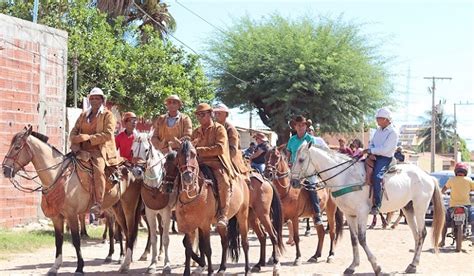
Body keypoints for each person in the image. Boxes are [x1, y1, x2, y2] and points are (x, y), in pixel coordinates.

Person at [70, 87, 121, 215]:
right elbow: (74, 131)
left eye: (97, 98)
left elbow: (108, 134)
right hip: (81, 149)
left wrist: (88, 138)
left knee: (99, 171)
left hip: (99, 150)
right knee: (65, 164)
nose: (94, 100)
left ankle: (98, 203)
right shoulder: (83, 115)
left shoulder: (108, 115)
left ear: (102, 101)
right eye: (92, 98)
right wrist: (76, 139)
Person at [191, 103, 236, 228]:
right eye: (198, 115)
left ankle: (223, 214)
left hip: (216, 163)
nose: (200, 117)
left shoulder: (219, 129)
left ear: (210, 114)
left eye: (202, 114)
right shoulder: (195, 132)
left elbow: (220, 148)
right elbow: (191, 146)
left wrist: (199, 150)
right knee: (183, 176)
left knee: (224, 182)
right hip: (199, 163)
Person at [286, 115, 329, 225]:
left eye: (302, 125)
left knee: (311, 185)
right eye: (298, 125)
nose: (300, 127)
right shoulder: (292, 140)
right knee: (280, 185)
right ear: (295, 127)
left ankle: (317, 213)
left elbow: (314, 155)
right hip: (294, 170)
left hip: (307, 169)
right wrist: (288, 162)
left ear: (306, 126)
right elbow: (288, 153)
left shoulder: (310, 139)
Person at [363, 107, 398, 215]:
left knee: (377, 177)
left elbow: (385, 149)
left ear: (386, 120)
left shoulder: (393, 133)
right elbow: (372, 142)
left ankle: (377, 204)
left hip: (385, 158)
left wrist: (371, 150)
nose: (377, 121)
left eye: (379, 118)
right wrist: (370, 151)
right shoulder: (378, 130)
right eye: (377, 118)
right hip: (374, 155)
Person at [440, 162, 474, 245]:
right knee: (473, 220)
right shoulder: (469, 180)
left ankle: (443, 241)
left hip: (453, 206)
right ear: (465, 172)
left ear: (456, 171)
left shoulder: (451, 180)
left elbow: (443, 190)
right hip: (467, 206)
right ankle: (473, 235)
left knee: (444, 222)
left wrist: (442, 193)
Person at [213, 103, 250, 175]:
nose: (216, 115)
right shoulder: (213, 128)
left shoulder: (231, 129)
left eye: (219, 113)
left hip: (231, 159)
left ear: (226, 115)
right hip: (215, 157)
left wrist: (222, 158)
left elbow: (233, 150)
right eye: (215, 113)